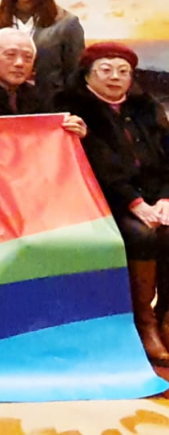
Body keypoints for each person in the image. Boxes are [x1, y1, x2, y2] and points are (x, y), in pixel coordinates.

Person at [56, 43, 169, 365]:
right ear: (87, 75)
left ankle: (165, 316)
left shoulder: (147, 106)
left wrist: (165, 198)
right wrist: (135, 203)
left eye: (123, 71)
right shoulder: (73, 111)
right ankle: (144, 323)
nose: (115, 77)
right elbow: (98, 164)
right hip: (103, 201)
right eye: (105, 70)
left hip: (155, 198)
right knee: (142, 235)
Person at [0, 29, 87, 134]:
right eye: (11, 55)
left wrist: (73, 129)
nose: (19, 63)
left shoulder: (40, 96)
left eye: (28, 57)